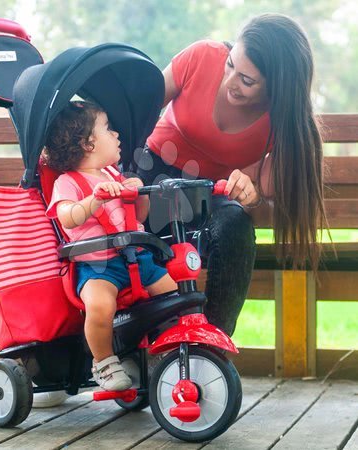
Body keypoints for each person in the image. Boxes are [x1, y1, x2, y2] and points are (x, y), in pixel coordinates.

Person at [135, 13, 327, 336]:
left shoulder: (283, 122)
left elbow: (264, 185)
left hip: (207, 196)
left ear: (277, 88)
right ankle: (137, 342)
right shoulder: (201, 57)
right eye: (230, 65)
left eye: (247, 81)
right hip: (150, 178)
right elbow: (138, 111)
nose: (230, 82)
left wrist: (251, 189)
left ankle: (210, 346)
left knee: (237, 226)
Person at [42, 101, 177, 391]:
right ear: (88, 143)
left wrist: (138, 193)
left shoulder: (115, 175)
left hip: (137, 257)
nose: (117, 135)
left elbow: (139, 217)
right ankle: (104, 362)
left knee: (172, 297)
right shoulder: (69, 182)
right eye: (108, 129)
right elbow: (67, 217)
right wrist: (95, 199)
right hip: (98, 266)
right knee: (100, 306)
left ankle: (171, 349)